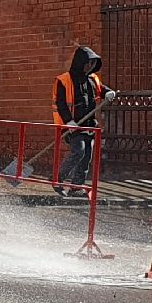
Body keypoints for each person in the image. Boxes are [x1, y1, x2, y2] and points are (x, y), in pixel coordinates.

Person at [53, 45, 110, 198]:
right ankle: (58, 179)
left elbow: (100, 89)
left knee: (87, 156)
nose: (90, 66)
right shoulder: (64, 80)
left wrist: (108, 92)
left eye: (92, 64)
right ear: (80, 62)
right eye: (88, 63)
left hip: (89, 124)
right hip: (72, 125)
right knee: (79, 151)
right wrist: (69, 121)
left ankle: (76, 187)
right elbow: (61, 104)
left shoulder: (92, 79)